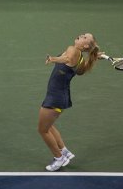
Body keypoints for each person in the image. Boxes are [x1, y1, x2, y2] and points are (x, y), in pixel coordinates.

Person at [38, 33, 102, 172]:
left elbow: (65, 58)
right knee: (48, 126)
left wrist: (53, 59)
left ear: (85, 46)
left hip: (55, 97)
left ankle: (59, 157)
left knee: (43, 130)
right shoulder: (79, 59)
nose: (81, 35)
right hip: (62, 97)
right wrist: (94, 58)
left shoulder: (72, 50)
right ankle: (64, 151)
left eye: (85, 37)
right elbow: (80, 71)